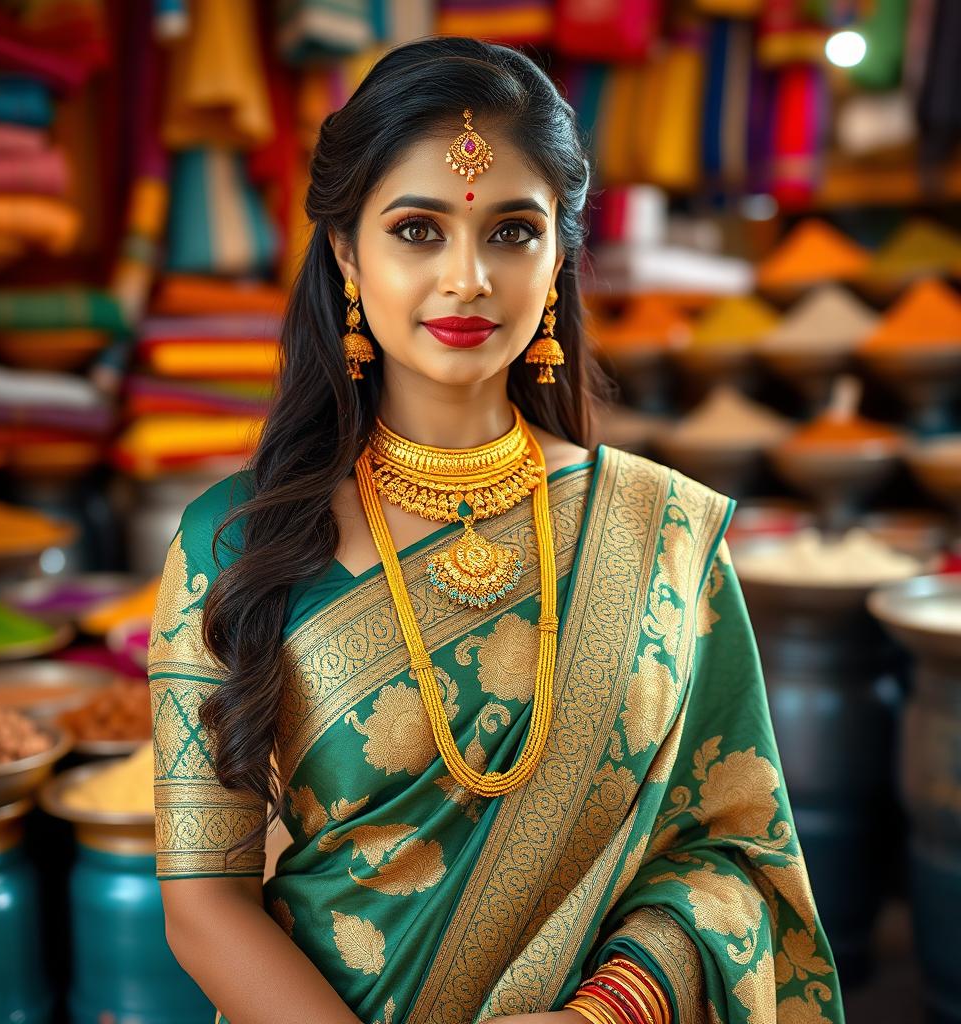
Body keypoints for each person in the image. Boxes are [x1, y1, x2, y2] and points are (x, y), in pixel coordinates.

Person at [149, 35, 844, 1024]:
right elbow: (204, 906)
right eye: (417, 231)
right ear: (346, 249)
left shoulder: (663, 532)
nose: (468, 277)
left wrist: (608, 1012)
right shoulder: (233, 543)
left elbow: (732, 859)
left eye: (512, 232)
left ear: (560, 252)